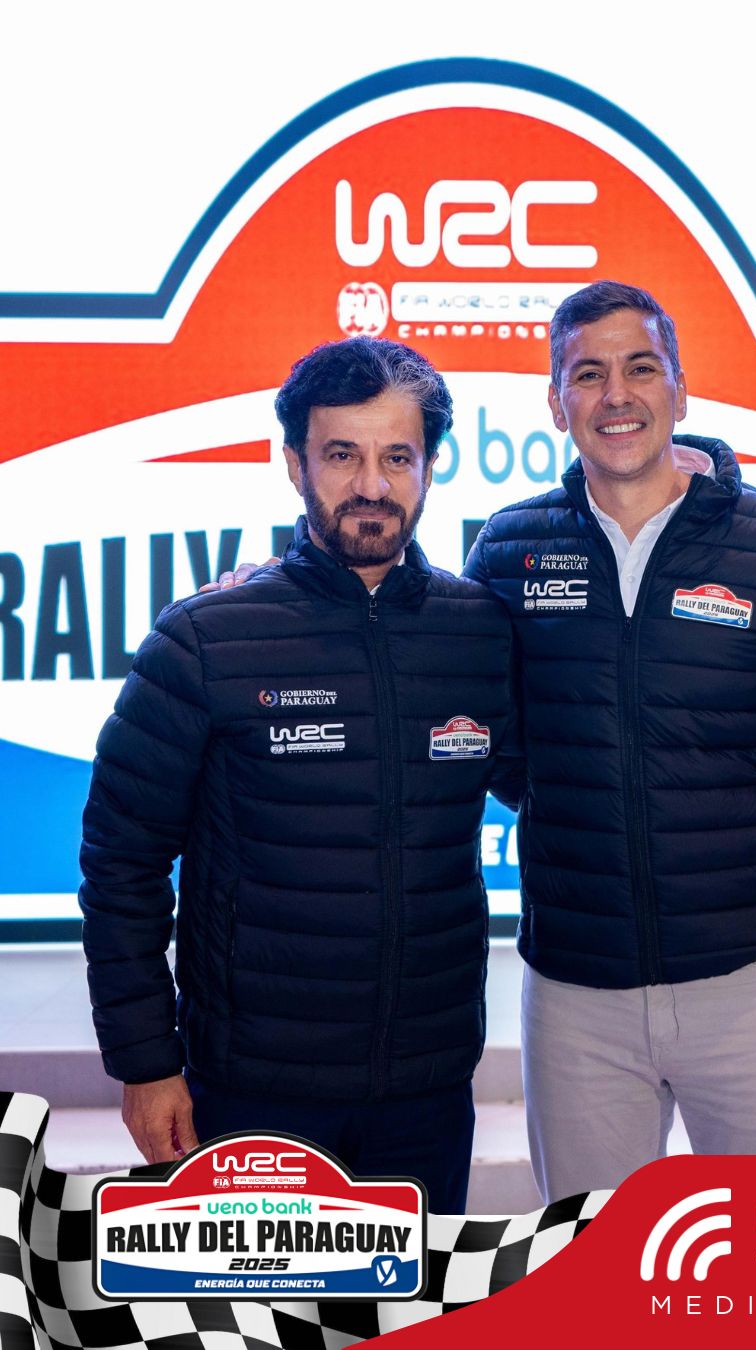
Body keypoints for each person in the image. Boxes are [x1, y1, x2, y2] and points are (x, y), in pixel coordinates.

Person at [463, 281, 756, 1201]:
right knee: (594, 1270)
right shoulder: (508, 554)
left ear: (680, 388)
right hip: (577, 998)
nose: (616, 395)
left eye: (641, 368)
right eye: (587, 375)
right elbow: (495, 737)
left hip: (754, 987)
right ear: (555, 402)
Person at [79, 336, 518, 1212]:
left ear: (429, 467)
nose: (372, 486)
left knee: (419, 1300)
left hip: (427, 1089)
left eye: (398, 457)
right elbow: (121, 863)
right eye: (342, 455)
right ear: (294, 464)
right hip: (253, 1092)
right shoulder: (206, 639)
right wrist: (146, 1063)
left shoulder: (479, 631)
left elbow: (568, 777)